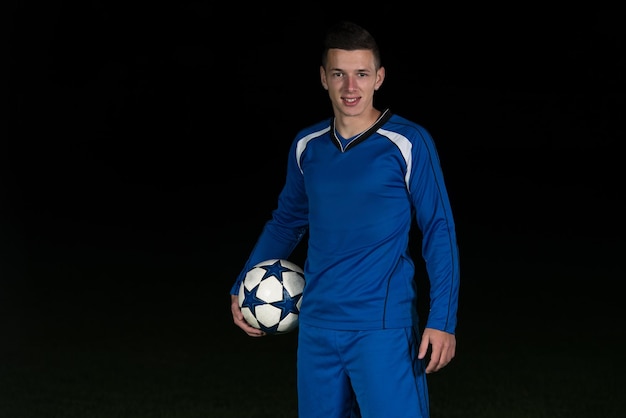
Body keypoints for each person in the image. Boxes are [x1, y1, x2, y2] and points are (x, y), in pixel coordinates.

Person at [230, 20, 460, 418]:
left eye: (361, 74)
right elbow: (287, 221)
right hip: (317, 327)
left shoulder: (408, 142)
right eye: (339, 74)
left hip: (382, 330)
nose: (350, 87)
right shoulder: (307, 146)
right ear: (323, 78)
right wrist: (242, 285)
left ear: (379, 78)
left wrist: (442, 319)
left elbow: (438, 230)